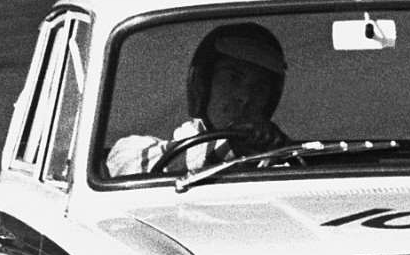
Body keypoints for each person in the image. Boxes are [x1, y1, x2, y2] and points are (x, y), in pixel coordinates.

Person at [106, 24, 297, 176]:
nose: (245, 97)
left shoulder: (284, 167)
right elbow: (126, 166)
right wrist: (230, 147)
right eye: (233, 79)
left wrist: (280, 151)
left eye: (260, 87)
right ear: (203, 84)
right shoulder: (132, 150)